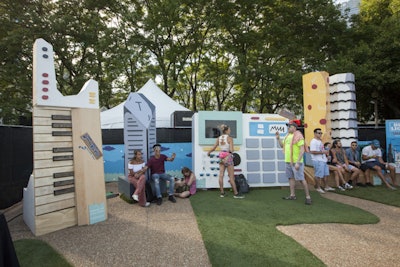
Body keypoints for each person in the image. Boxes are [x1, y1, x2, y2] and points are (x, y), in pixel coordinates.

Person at [275, 120, 312, 205]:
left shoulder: (299, 136)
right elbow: (282, 146)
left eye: (290, 126)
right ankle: (292, 195)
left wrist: (298, 162)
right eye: (288, 126)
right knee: (290, 178)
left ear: (294, 128)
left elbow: (302, 150)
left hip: (296, 162)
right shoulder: (287, 136)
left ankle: (308, 197)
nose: (288, 128)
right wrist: (278, 139)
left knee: (301, 179)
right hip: (288, 161)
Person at [207, 124, 244, 198]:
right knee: (231, 176)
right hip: (228, 156)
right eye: (229, 129)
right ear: (226, 130)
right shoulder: (230, 138)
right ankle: (236, 193)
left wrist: (209, 152)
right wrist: (230, 152)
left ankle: (222, 193)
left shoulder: (219, 138)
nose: (230, 131)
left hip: (221, 155)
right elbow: (231, 150)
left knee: (221, 175)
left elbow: (214, 147)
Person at [309, 128, 335, 193]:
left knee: (325, 174)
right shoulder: (313, 141)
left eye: (321, 133)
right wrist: (323, 152)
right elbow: (312, 151)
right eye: (319, 133)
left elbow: (322, 150)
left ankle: (326, 187)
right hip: (317, 160)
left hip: (323, 160)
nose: (320, 134)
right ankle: (318, 187)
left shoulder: (320, 141)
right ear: (315, 133)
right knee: (318, 175)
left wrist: (325, 155)